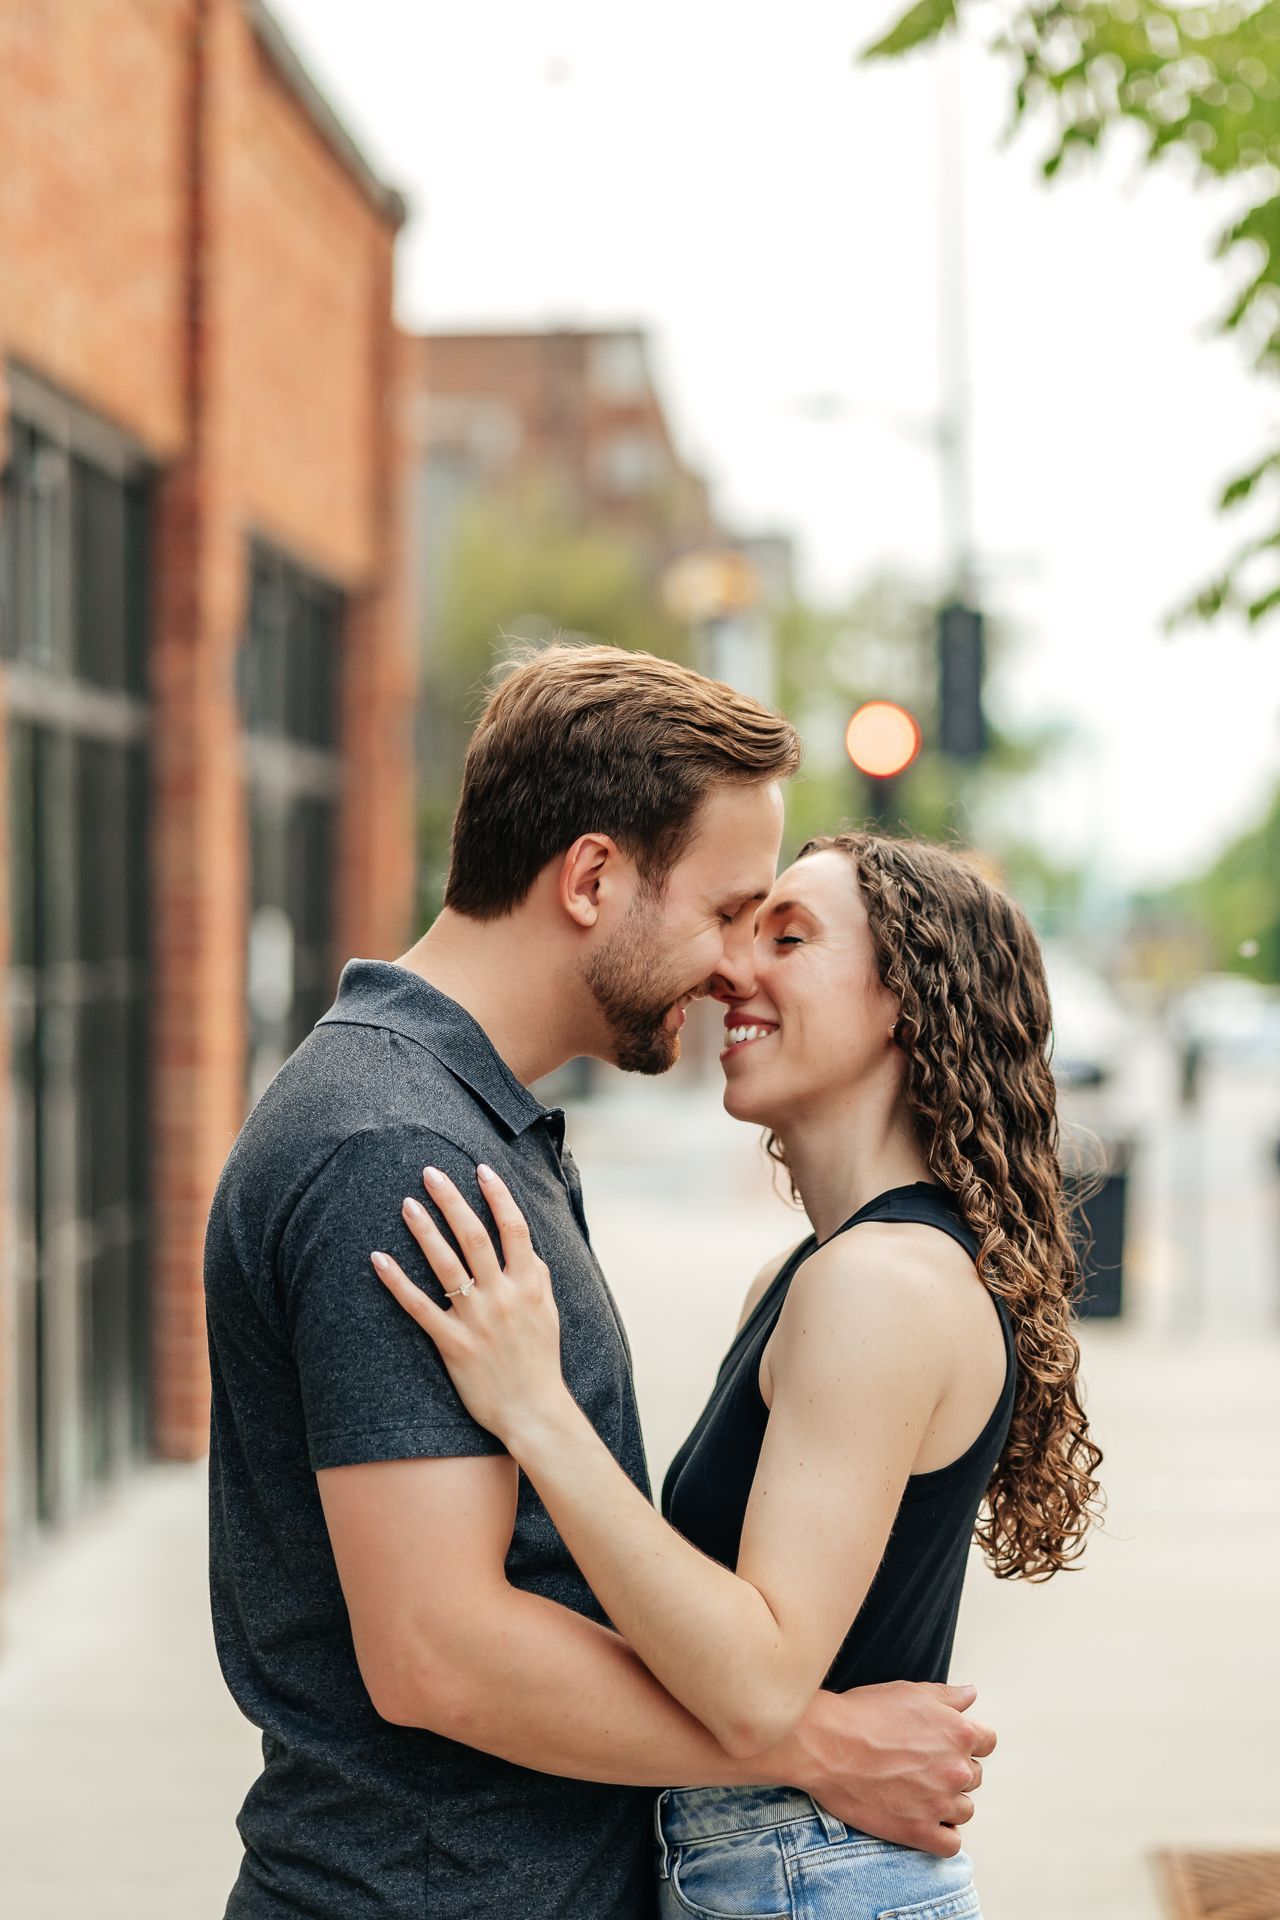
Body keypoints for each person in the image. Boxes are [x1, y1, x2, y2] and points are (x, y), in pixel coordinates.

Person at [204, 648, 997, 1920]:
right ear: (590, 879)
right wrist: (809, 1746)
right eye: (731, 908)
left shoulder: (470, 1126)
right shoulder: (395, 1150)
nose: (734, 963)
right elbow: (437, 1656)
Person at [372, 827, 1106, 1920]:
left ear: (906, 999)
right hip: (777, 1864)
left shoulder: (881, 1286)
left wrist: (534, 1409)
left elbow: (760, 1675)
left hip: (802, 1876)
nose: (732, 974)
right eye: (740, 931)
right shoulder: (812, 1275)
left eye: (789, 937)